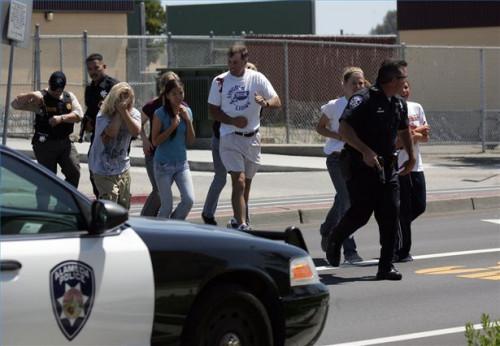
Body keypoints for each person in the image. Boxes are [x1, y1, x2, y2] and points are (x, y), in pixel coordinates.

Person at [325, 59, 415, 281]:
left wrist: (411, 157)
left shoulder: (398, 103)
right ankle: (336, 238)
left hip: (387, 167)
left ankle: (386, 266)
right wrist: (365, 151)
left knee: (390, 214)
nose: (405, 81)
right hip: (360, 165)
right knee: (361, 213)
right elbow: (344, 129)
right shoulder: (362, 99)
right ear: (392, 80)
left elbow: (404, 131)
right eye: (403, 77)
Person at [207, 44, 281, 230]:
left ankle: (237, 218)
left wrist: (265, 103)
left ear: (245, 61)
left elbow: (276, 100)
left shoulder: (257, 78)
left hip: (252, 138)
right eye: (230, 62)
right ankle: (242, 224)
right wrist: (232, 121)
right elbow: (213, 111)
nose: (232, 66)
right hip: (229, 136)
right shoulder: (220, 81)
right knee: (238, 180)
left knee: (246, 185)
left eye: (237, 62)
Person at [316, 67, 365, 264]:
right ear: (344, 85)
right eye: (354, 83)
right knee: (347, 201)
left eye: (361, 83)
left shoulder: (366, 103)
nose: (358, 86)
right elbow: (320, 127)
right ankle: (349, 251)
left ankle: (328, 229)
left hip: (357, 158)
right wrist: (338, 135)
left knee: (343, 199)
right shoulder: (335, 106)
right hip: (337, 158)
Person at [201, 61, 258, 226]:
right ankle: (208, 213)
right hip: (223, 140)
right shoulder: (228, 90)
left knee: (244, 182)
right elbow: (215, 111)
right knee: (221, 177)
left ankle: (241, 219)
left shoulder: (256, 96)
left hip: (246, 143)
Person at [11, 71, 83, 194]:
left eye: (58, 91)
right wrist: (30, 95)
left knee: (74, 172)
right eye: (53, 90)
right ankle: (43, 207)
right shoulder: (40, 98)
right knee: (48, 178)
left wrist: (61, 118)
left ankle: (65, 200)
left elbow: (79, 115)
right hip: (45, 144)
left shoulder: (69, 97)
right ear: (49, 85)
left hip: (65, 143)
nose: (55, 93)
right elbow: (15, 104)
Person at [88, 82, 141, 209]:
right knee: (110, 203)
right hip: (102, 168)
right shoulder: (103, 115)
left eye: (127, 97)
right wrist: (119, 112)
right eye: (120, 97)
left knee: (123, 206)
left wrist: (125, 113)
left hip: (122, 167)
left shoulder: (134, 114)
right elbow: (111, 133)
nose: (124, 101)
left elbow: (136, 131)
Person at [394, 80, 430, 262]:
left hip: (417, 165)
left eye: (407, 87)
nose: (404, 90)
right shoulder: (392, 108)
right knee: (404, 209)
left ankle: (395, 230)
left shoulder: (416, 107)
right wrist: (416, 133)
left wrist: (413, 134)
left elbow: (426, 137)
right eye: (401, 87)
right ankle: (402, 250)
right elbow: (396, 142)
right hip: (400, 166)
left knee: (419, 205)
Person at [152, 79, 196, 219]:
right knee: (166, 207)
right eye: (174, 94)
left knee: (189, 200)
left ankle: (175, 225)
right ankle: (161, 234)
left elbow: (191, 140)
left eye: (180, 93)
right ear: (167, 96)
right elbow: (155, 141)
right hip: (163, 165)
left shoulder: (187, 111)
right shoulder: (159, 114)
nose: (178, 97)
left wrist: (187, 121)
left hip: (181, 164)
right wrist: (172, 126)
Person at [140, 71, 182, 217]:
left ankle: (159, 218)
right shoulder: (153, 105)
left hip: (172, 156)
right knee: (158, 190)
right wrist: (144, 140)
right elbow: (138, 123)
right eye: (168, 84)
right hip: (154, 155)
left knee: (163, 191)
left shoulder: (181, 106)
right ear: (163, 87)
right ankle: (145, 219)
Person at [83, 53, 119, 198]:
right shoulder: (90, 89)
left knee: (113, 173)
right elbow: (90, 112)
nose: (93, 72)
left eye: (96, 67)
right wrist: (87, 124)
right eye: (90, 69)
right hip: (97, 136)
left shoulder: (114, 86)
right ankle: (101, 200)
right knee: (94, 169)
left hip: (114, 136)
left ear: (104, 67)